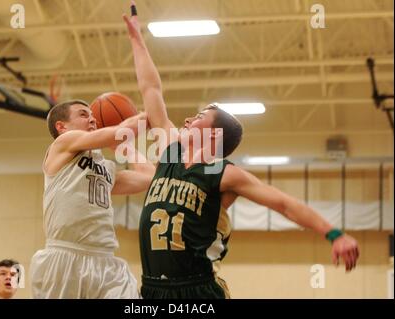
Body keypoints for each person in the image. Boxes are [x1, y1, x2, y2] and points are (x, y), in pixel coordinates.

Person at [123, 2, 360, 299]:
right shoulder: (171, 151)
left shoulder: (223, 174)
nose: (186, 119)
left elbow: (283, 204)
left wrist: (333, 233)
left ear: (214, 134)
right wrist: (136, 40)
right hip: (153, 288)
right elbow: (151, 91)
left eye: (198, 117)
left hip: (197, 290)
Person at [30, 99, 155, 299]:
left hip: (106, 262)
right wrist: (149, 114)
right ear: (61, 127)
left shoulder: (105, 169)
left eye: (93, 116)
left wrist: (125, 148)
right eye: (83, 114)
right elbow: (120, 131)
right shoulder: (62, 145)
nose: (92, 119)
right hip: (64, 258)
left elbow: (150, 178)